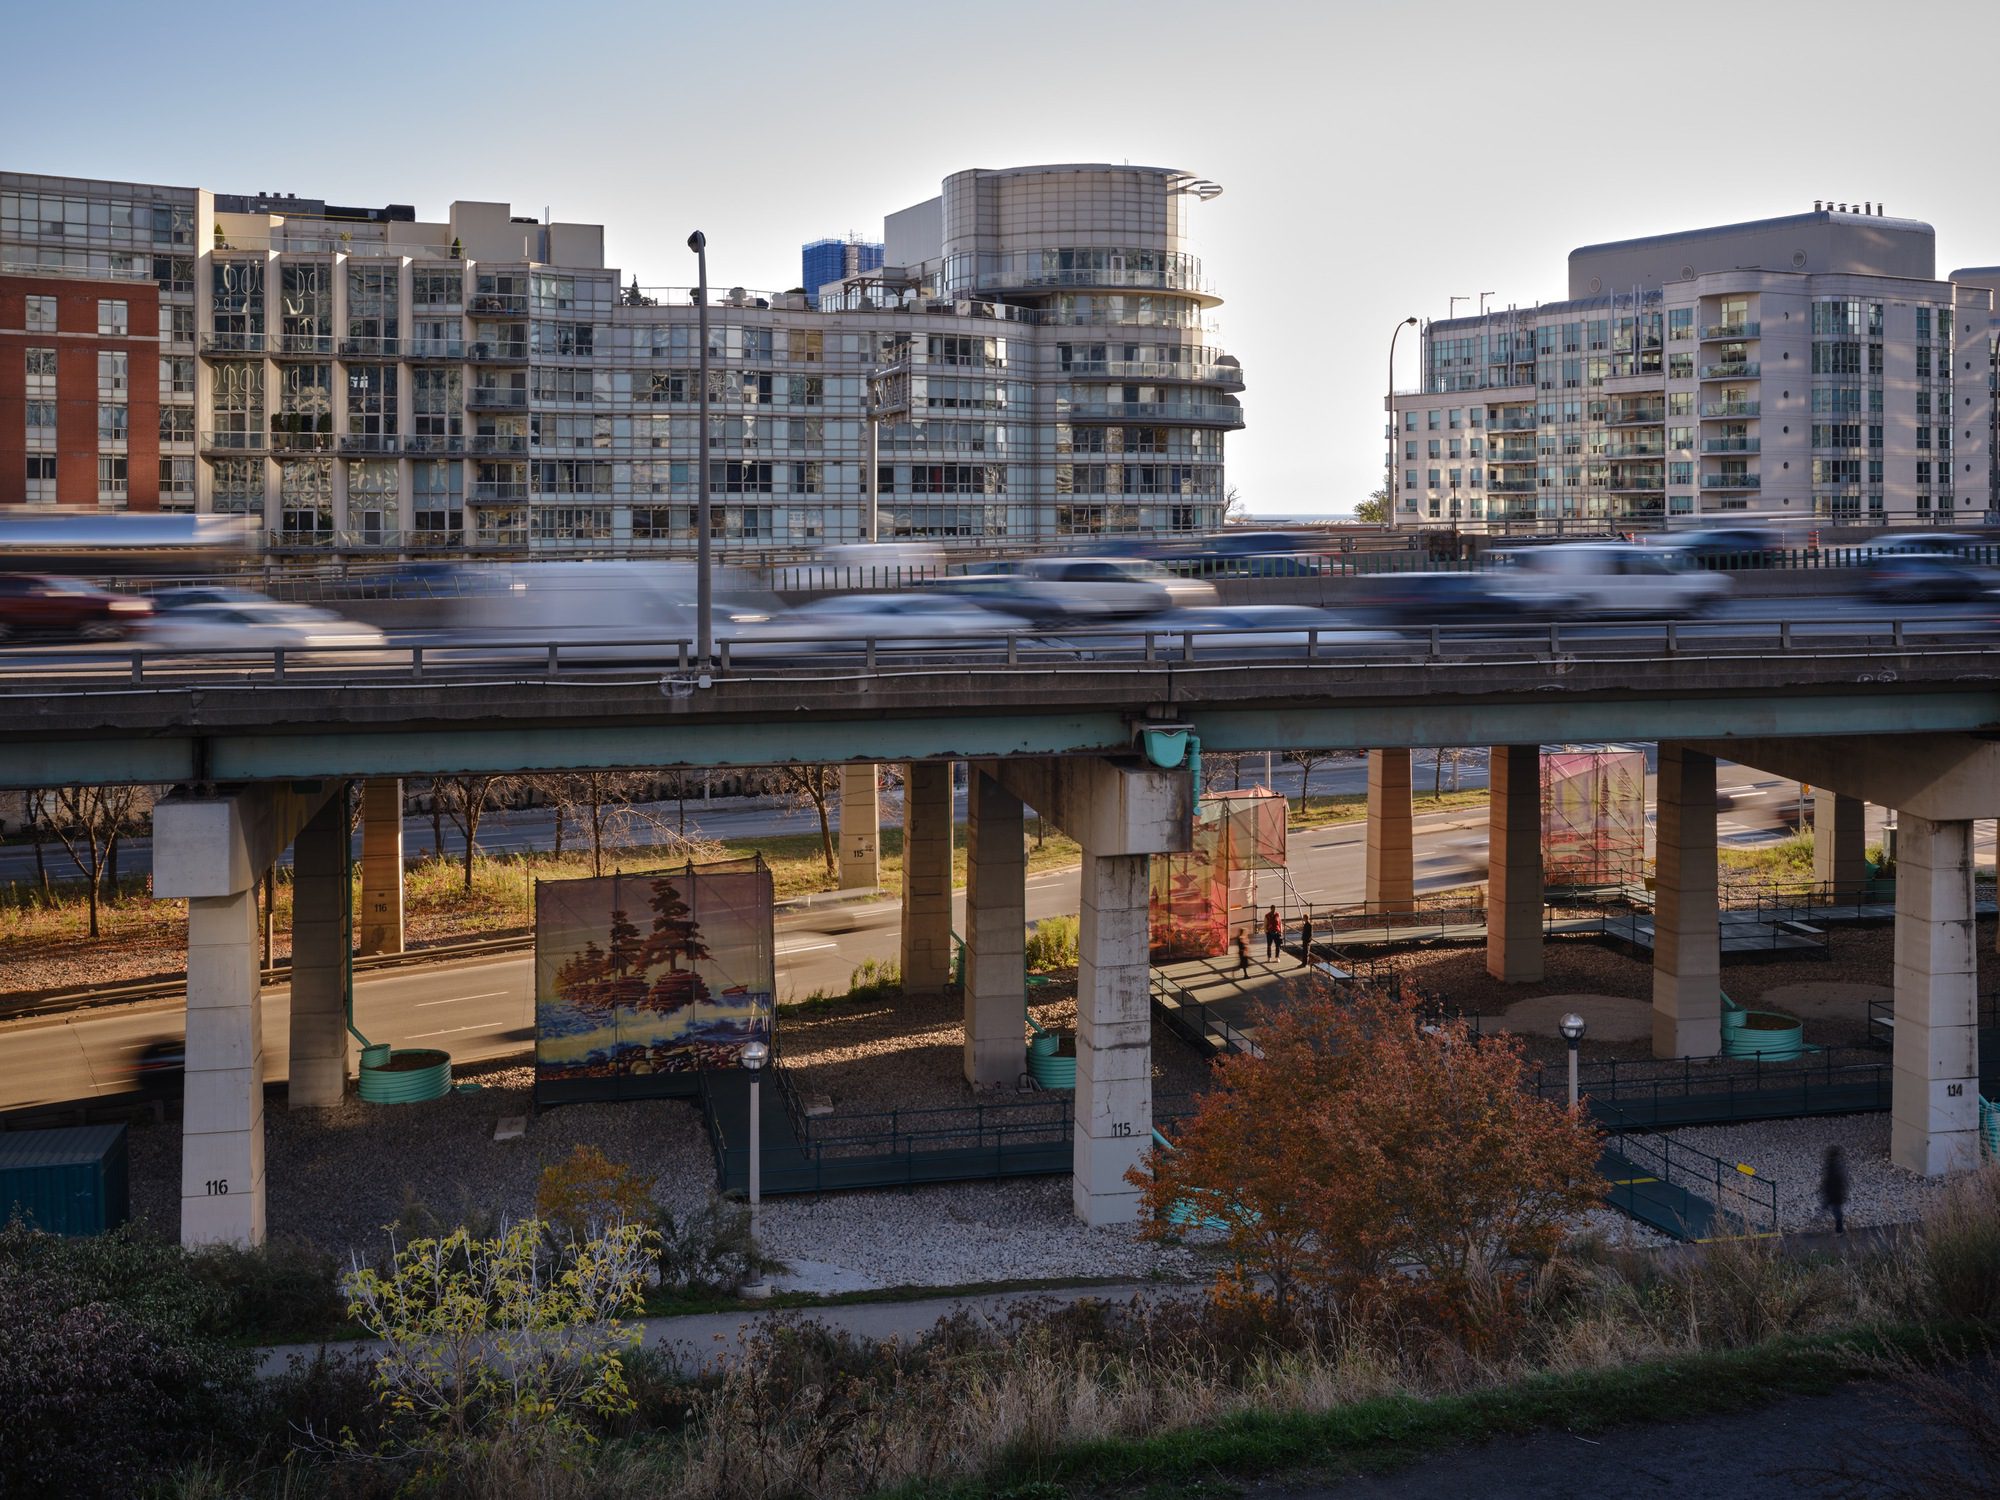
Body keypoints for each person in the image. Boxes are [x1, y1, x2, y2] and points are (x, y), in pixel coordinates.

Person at [1820, 1144, 1849, 1234]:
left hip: (1833, 1192)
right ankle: (1838, 1230)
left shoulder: (1832, 1165)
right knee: (1836, 1210)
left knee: (1834, 1210)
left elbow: (1831, 1179)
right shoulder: (1837, 1165)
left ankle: (1839, 1230)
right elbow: (1842, 1180)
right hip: (1835, 1192)